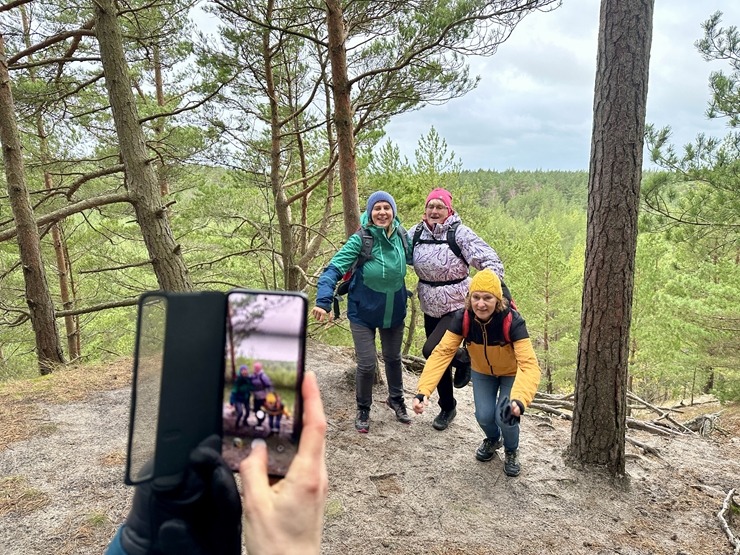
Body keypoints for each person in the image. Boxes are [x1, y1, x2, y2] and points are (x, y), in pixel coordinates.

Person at [105, 371, 328, 555]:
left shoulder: (262, 381)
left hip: (258, 403)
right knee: (243, 414)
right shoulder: (244, 380)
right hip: (244, 402)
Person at [412, 269, 541, 477]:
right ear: (469, 298)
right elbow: (442, 354)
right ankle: (492, 439)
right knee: (483, 416)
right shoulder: (462, 319)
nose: (481, 304)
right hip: (482, 372)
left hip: (510, 373)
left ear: (497, 300)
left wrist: (519, 399)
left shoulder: (512, 321)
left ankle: (511, 449)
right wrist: (423, 391)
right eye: (476, 297)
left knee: (505, 415)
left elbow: (529, 365)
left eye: (487, 298)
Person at [408, 187, 505, 432]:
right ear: (425, 210)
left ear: (448, 210)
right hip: (429, 304)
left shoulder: (459, 233)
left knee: (431, 350)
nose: (434, 210)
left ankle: (464, 359)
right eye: (430, 206)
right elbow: (392, 251)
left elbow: (491, 260)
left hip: (457, 303)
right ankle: (448, 404)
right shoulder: (416, 232)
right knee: (437, 356)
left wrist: (489, 292)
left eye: (440, 206)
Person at [313, 190, 410, 433]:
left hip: (393, 311)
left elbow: (423, 259)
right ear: (369, 212)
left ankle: (396, 400)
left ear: (393, 211)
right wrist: (323, 301)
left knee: (393, 358)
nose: (382, 212)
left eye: (386, 208)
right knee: (367, 364)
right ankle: (363, 408)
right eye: (377, 208)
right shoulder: (361, 239)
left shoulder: (401, 235)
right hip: (362, 312)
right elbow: (332, 270)